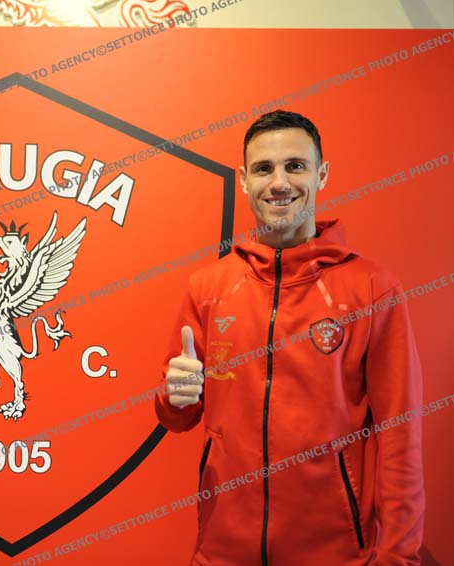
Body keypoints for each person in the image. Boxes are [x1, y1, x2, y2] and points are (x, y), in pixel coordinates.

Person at [154, 110, 424, 565]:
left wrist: (398, 556)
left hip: (336, 555)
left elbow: (401, 435)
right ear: (244, 181)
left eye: (295, 166)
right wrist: (173, 397)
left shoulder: (372, 289)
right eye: (264, 169)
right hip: (221, 553)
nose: (279, 183)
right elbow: (176, 417)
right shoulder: (207, 288)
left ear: (322, 174)